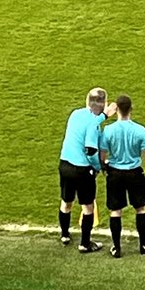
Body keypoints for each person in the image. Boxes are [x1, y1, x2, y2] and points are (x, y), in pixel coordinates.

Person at [58, 88, 117, 254]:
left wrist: (102, 116)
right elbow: (90, 150)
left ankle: (64, 235)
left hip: (65, 164)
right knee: (87, 207)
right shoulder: (94, 125)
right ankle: (85, 243)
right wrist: (99, 167)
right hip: (82, 170)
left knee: (66, 201)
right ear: (103, 105)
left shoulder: (75, 114)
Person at [100, 94, 145, 258]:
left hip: (115, 173)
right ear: (131, 109)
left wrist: (105, 168)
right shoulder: (140, 130)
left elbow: (102, 154)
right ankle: (143, 244)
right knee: (140, 208)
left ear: (116, 109)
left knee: (115, 210)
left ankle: (117, 247)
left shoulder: (108, 130)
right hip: (134, 173)